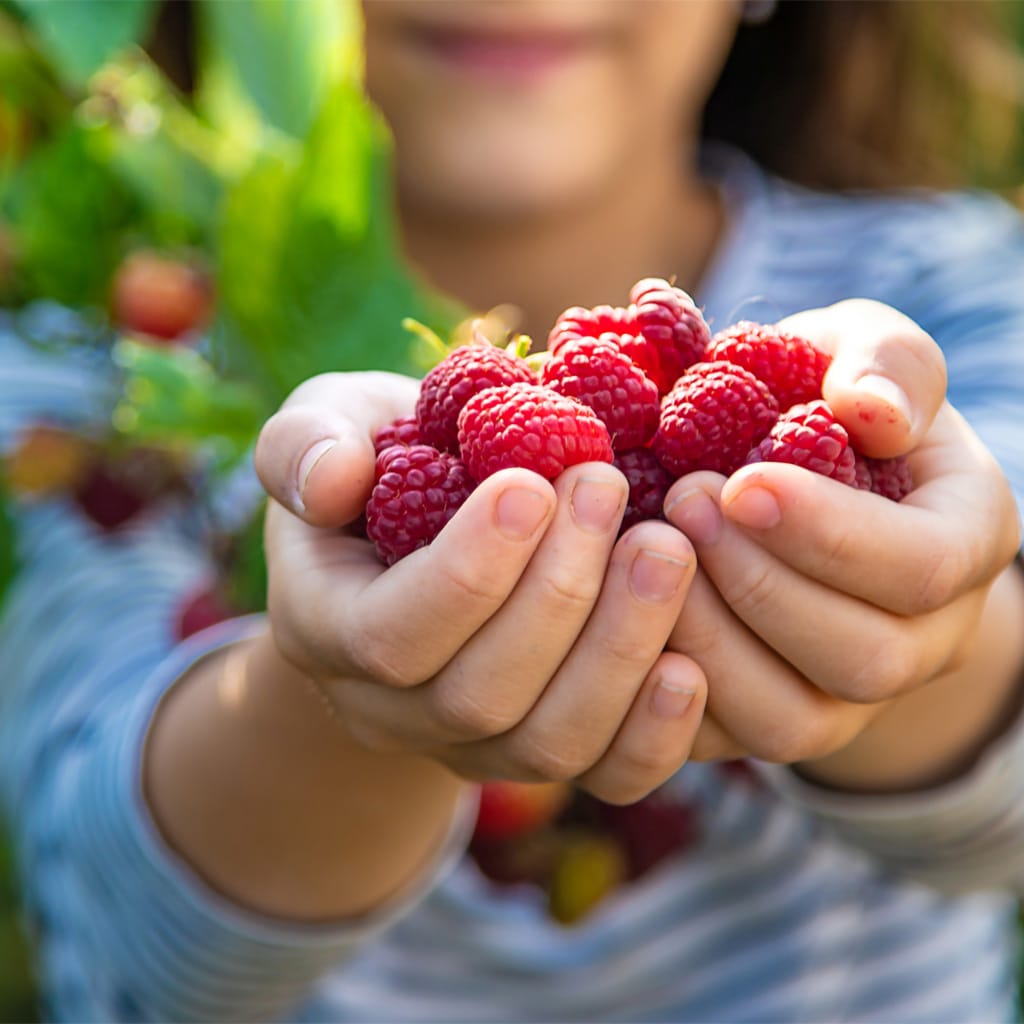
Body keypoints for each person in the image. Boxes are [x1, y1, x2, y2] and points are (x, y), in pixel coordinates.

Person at [3, 1, 1024, 1020]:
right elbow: (127, 940)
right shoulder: (105, 381)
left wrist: (923, 619)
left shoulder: (958, 289)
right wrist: (347, 684)